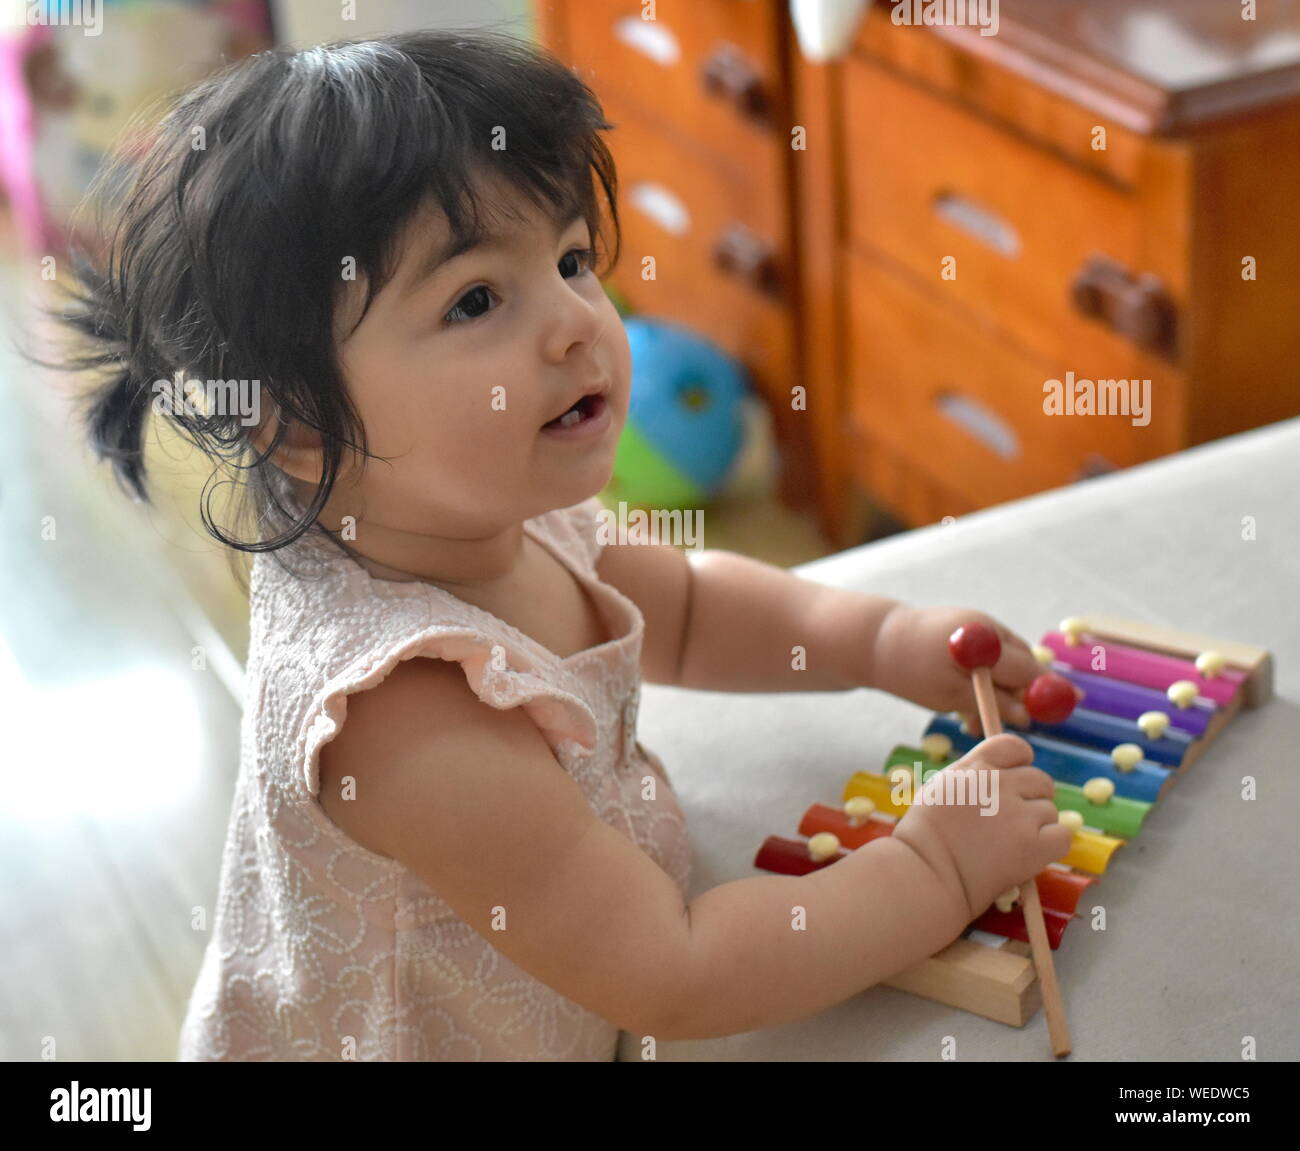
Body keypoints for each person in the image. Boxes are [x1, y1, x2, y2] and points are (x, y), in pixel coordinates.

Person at [42, 27, 1072, 1060]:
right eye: (477, 298)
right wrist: (932, 867)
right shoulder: (400, 715)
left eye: (573, 259)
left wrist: (881, 641)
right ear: (300, 426)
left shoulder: (473, 504)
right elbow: (675, 968)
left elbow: (692, 607)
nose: (581, 320)